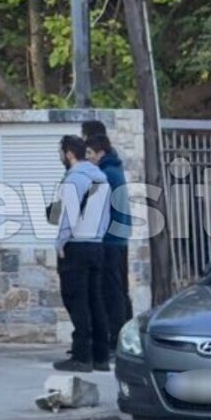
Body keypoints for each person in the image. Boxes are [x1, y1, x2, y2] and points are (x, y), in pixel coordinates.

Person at [49, 135, 112, 373]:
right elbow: (106, 216)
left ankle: (81, 356)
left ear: (68, 153)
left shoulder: (73, 179)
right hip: (96, 244)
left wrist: (61, 242)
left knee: (77, 301)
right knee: (96, 300)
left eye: (60, 153)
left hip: (76, 246)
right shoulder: (102, 179)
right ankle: (101, 356)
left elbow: (69, 215)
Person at [85, 133, 134, 354]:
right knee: (120, 290)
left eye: (90, 153)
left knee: (112, 292)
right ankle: (125, 336)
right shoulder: (116, 170)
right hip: (119, 238)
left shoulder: (105, 174)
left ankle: (116, 339)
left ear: (100, 153)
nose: (88, 157)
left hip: (110, 239)